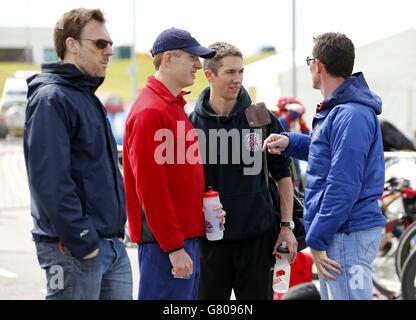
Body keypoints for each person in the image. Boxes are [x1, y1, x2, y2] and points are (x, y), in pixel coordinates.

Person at [263, 32, 387, 300]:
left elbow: (343, 185)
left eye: (309, 61)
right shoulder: (340, 110)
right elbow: (325, 151)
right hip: (342, 229)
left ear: (318, 65)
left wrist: (316, 238)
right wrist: (289, 141)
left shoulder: (350, 114)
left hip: (346, 230)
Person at [23, 8, 132, 299]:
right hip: (75, 249)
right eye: (100, 43)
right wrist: (84, 240)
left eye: (110, 43)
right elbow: (50, 181)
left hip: (111, 245)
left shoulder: (85, 96)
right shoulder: (52, 99)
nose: (109, 51)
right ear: (72, 45)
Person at [188, 42, 297, 300]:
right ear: (209, 75)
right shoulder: (190, 124)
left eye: (241, 72)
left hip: (257, 242)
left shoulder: (260, 117)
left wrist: (286, 225)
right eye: (230, 72)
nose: (237, 79)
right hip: (210, 244)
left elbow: (283, 175)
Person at [123, 28, 225, 300]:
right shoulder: (149, 111)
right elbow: (151, 190)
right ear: (167, 59)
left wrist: (205, 211)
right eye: (192, 57)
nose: (198, 65)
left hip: (182, 241)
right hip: (166, 246)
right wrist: (173, 247)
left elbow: (180, 177)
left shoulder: (172, 106)